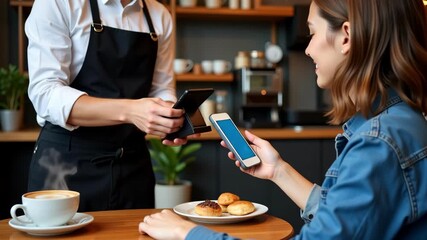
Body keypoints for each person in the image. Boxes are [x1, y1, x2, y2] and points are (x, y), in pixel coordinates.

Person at [138, 0, 427, 239]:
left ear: (346, 36)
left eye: (312, 33)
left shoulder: (377, 142)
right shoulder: (401, 121)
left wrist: (188, 233)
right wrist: (278, 171)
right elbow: (348, 219)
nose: (308, 48)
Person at [25, 0, 189, 212]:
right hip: (66, 165)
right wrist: (130, 111)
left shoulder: (159, 15)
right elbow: (44, 94)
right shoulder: (58, 3)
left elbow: (161, 88)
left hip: (133, 168)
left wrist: (169, 117)